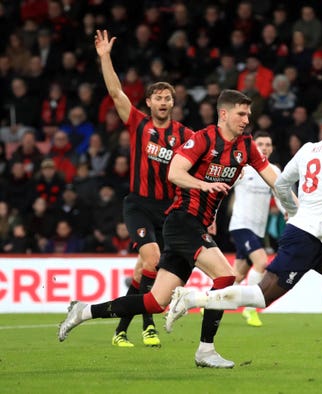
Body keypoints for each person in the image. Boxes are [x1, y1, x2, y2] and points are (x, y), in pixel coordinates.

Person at [164, 111, 322, 368]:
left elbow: (283, 183)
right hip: (305, 238)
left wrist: (294, 211)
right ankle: (192, 299)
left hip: (314, 236)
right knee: (259, 297)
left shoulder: (308, 149)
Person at [58, 89, 296, 369]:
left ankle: (84, 311)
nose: (247, 119)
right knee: (225, 276)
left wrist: (299, 211)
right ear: (224, 114)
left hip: (194, 225)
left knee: (154, 301)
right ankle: (205, 350)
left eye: (248, 114)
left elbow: (275, 181)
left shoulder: (247, 146)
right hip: (182, 221)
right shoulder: (203, 138)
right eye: (241, 113)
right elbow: (175, 173)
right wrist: (203, 185)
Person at [94, 30, 194, 348]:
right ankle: (148, 326)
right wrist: (105, 56)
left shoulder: (186, 135)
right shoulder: (138, 123)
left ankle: (121, 330)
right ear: (149, 102)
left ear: (173, 103)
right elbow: (115, 91)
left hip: (169, 209)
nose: (163, 102)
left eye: (168, 98)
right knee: (152, 262)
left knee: (143, 270)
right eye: (158, 98)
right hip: (138, 204)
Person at [228, 131, 284, 327]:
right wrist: (211, 217)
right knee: (261, 262)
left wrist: (288, 212)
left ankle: (210, 303)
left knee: (237, 275)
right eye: (260, 144)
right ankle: (250, 310)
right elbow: (222, 188)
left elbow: (280, 195)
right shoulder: (242, 169)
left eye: (268, 144)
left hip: (258, 230)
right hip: (241, 225)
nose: (265, 148)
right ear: (253, 147)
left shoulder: (274, 171)